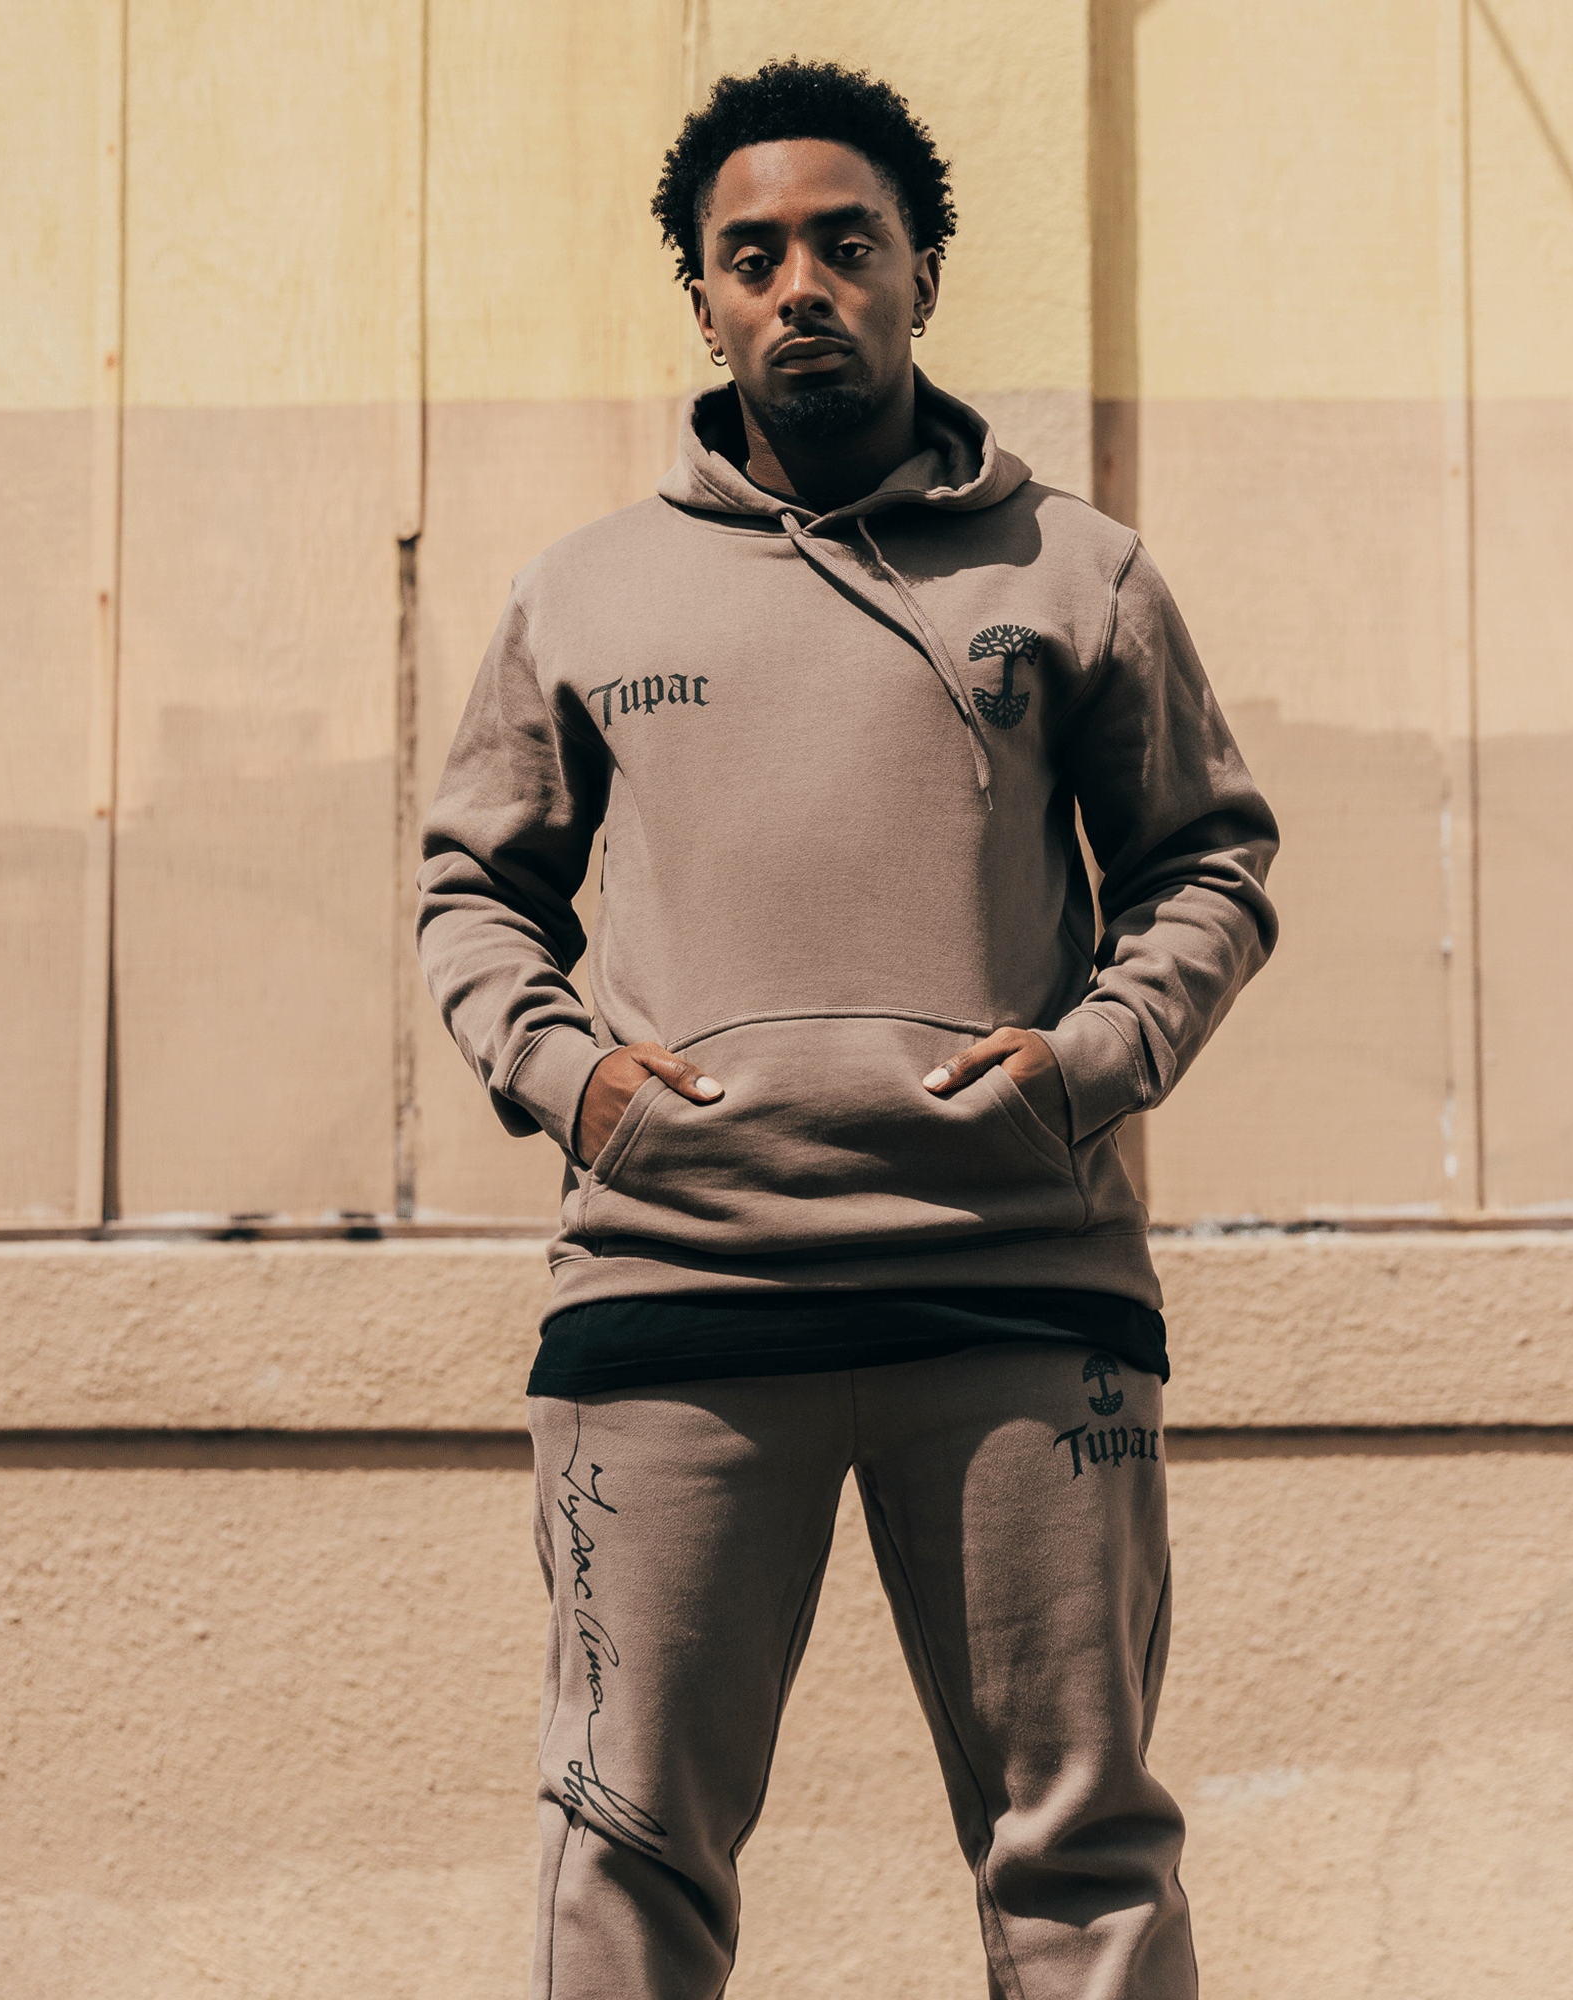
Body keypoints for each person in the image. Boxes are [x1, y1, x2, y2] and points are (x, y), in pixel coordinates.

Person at [416, 57, 1278, 2000]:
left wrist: (1082, 1067)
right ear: (703, 299)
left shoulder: (1078, 573)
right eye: (752, 255)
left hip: (1018, 1302)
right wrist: (583, 1088)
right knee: (628, 1838)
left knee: (1084, 1853)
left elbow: (1205, 869)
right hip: (667, 1309)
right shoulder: (585, 587)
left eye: (845, 244)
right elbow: (475, 893)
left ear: (919, 275)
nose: (801, 284)